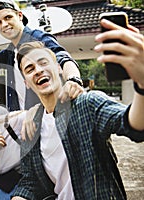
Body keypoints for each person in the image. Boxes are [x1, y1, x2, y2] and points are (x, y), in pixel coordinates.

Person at [11, 40, 144, 199]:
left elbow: (132, 124)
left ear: (59, 68)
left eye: (43, 63)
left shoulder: (87, 104)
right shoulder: (31, 126)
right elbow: (30, 182)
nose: (38, 70)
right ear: (26, 82)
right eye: (30, 69)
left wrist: (141, 84)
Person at [0, 0, 83, 111]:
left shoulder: (37, 37)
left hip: (47, 117)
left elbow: (63, 57)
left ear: (19, 15)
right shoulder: (10, 51)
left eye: (8, 17)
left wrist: (73, 79)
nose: (4, 24)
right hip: (23, 119)